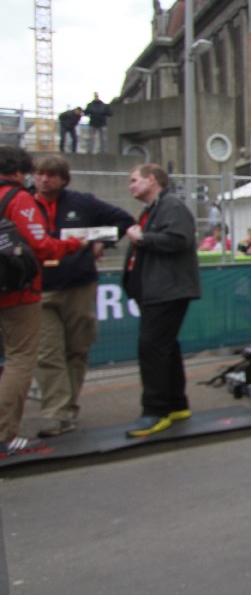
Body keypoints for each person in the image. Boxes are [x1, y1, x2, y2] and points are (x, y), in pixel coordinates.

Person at [29, 155, 135, 437]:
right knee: (47, 353)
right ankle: (56, 413)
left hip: (78, 287)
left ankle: (68, 407)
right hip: (39, 289)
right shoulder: (24, 203)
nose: (44, 180)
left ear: (63, 179)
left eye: (51, 175)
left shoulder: (82, 202)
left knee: (77, 349)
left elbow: (124, 220)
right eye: (39, 174)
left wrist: (102, 241)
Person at [0, 147, 83, 455]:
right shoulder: (18, 198)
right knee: (20, 359)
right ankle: (5, 435)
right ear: (21, 172)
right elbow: (41, 245)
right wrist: (73, 244)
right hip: (16, 293)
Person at [121, 164, 202, 437]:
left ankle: (155, 411)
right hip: (158, 290)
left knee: (152, 347)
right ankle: (176, 404)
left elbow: (179, 239)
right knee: (165, 347)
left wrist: (143, 238)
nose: (131, 186)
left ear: (152, 180)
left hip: (168, 290)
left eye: (135, 180)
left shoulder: (171, 206)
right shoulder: (154, 209)